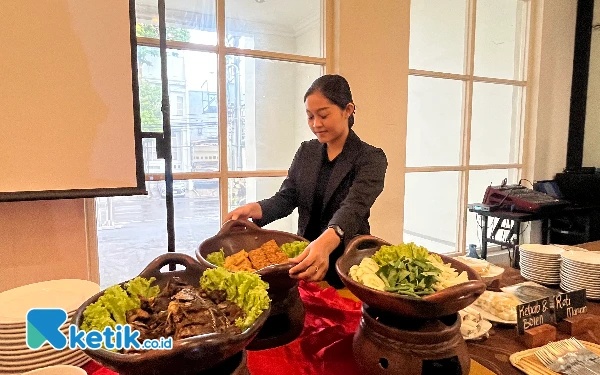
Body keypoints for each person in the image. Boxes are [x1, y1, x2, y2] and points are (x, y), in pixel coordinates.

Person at [225, 74, 387, 288]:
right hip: (305, 261)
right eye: (310, 117)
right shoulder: (307, 151)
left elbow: (354, 207)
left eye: (323, 115)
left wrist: (327, 241)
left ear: (347, 110)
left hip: (347, 265)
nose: (316, 124)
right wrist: (254, 209)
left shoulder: (371, 158)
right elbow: (287, 197)